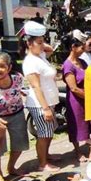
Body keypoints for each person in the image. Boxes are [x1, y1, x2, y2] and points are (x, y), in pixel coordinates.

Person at [21, 21, 60, 172]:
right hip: (40, 104)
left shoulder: (40, 55)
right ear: (29, 44)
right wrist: (45, 109)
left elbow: (50, 49)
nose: (42, 45)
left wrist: (40, 40)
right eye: (39, 42)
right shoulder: (30, 62)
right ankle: (42, 164)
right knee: (44, 134)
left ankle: (47, 155)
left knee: (50, 131)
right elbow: (36, 87)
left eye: (42, 41)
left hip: (49, 101)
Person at [62, 29, 90, 162]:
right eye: (81, 47)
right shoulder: (68, 66)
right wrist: (88, 96)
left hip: (86, 97)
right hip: (75, 100)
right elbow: (73, 88)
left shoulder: (82, 62)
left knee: (87, 123)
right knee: (76, 125)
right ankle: (78, 152)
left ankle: (89, 143)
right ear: (73, 47)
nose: (84, 50)